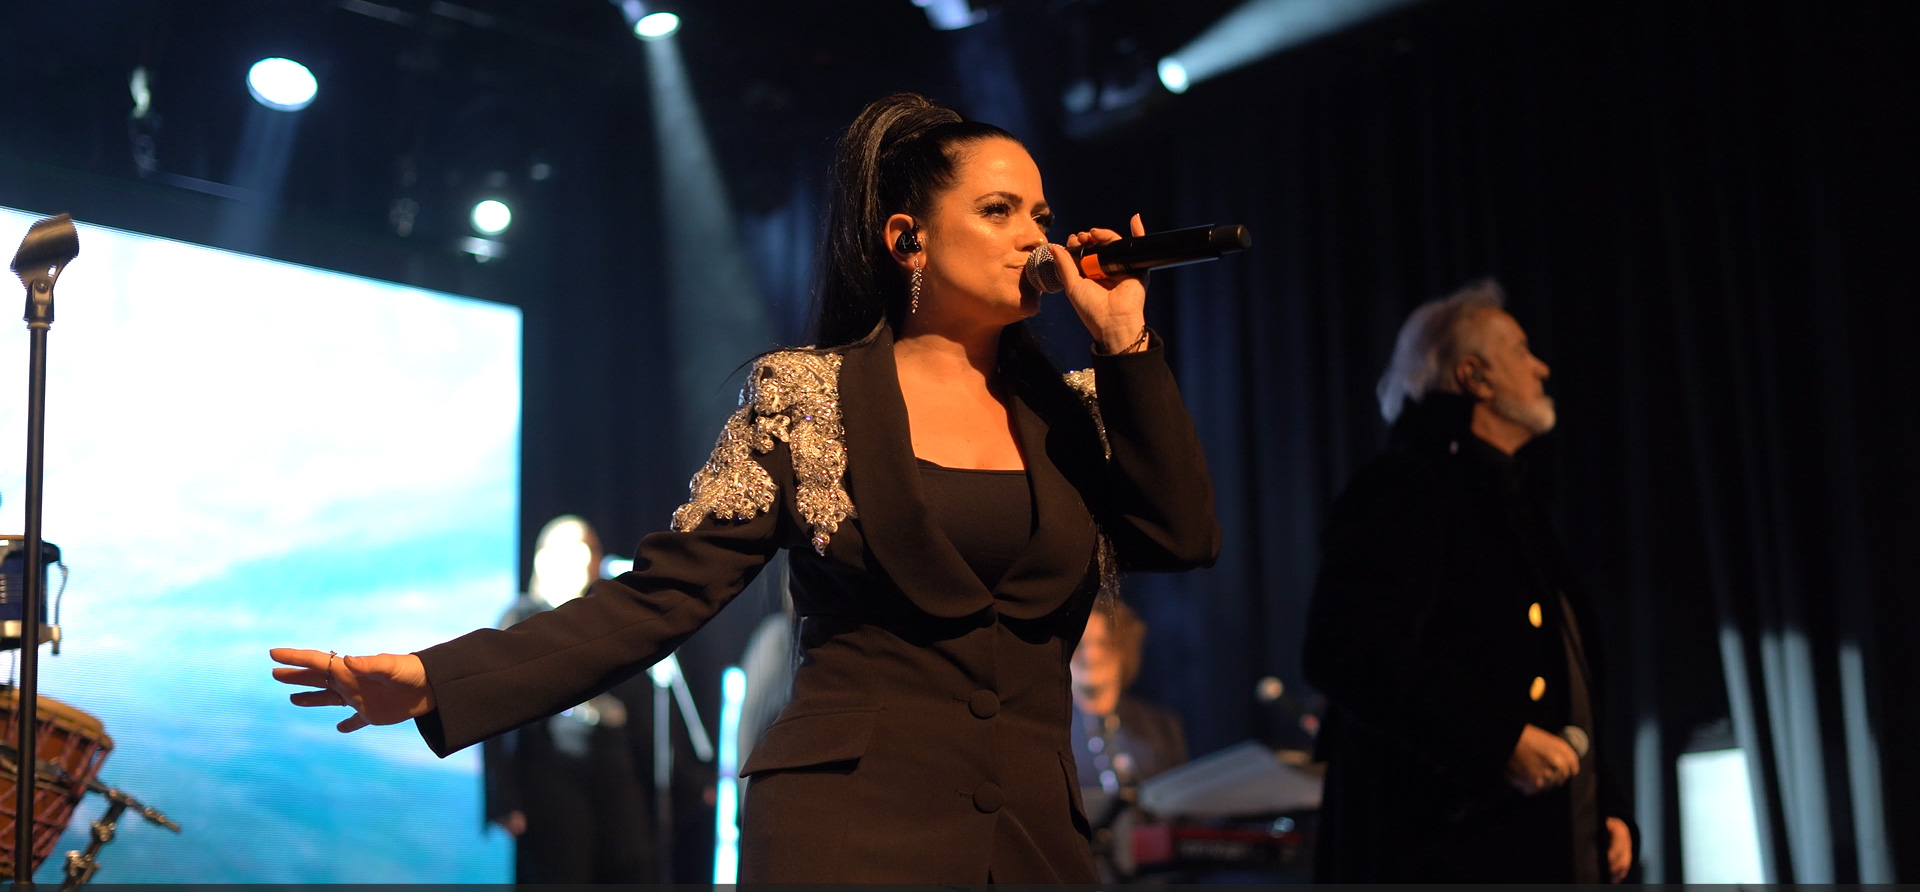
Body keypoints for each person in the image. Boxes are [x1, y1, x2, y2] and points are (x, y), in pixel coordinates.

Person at [271, 93, 1220, 884]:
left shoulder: (1081, 409)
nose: (1034, 239)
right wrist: (440, 677)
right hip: (845, 828)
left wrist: (1127, 344)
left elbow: (1179, 536)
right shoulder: (807, 397)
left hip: (1029, 839)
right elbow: (661, 596)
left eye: (1042, 217)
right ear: (908, 238)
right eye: (999, 211)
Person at [1301, 280, 1634, 883]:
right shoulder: (1407, 487)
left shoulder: (1514, 505)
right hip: (1444, 851)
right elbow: (1344, 648)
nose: (1542, 367)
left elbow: (1566, 676)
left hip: (1545, 842)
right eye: (1520, 350)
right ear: (1475, 377)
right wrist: (1497, 738)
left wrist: (1602, 803)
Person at [481, 515, 652, 883]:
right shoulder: (522, 619)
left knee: (627, 867)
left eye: (589, 548)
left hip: (613, 774)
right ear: (543, 560)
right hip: (553, 778)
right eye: (572, 547)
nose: (583, 557)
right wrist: (504, 796)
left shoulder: (608, 619)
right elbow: (492, 711)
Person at [1069, 593, 1189, 793]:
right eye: (1079, 645)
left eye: (1102, 643)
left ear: (1122, 649)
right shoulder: (1044, 731)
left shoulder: (1162, 727)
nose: (1090, 655)